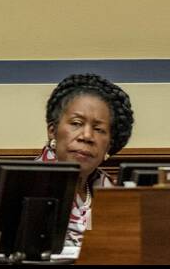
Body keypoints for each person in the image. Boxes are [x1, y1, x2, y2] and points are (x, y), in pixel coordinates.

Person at [39, 73, 134, 250]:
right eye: (76, 123)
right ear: (52, 130)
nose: (87, 136)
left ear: (109, 145)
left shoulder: (110, 192)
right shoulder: (26, 186)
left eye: (99, 129)